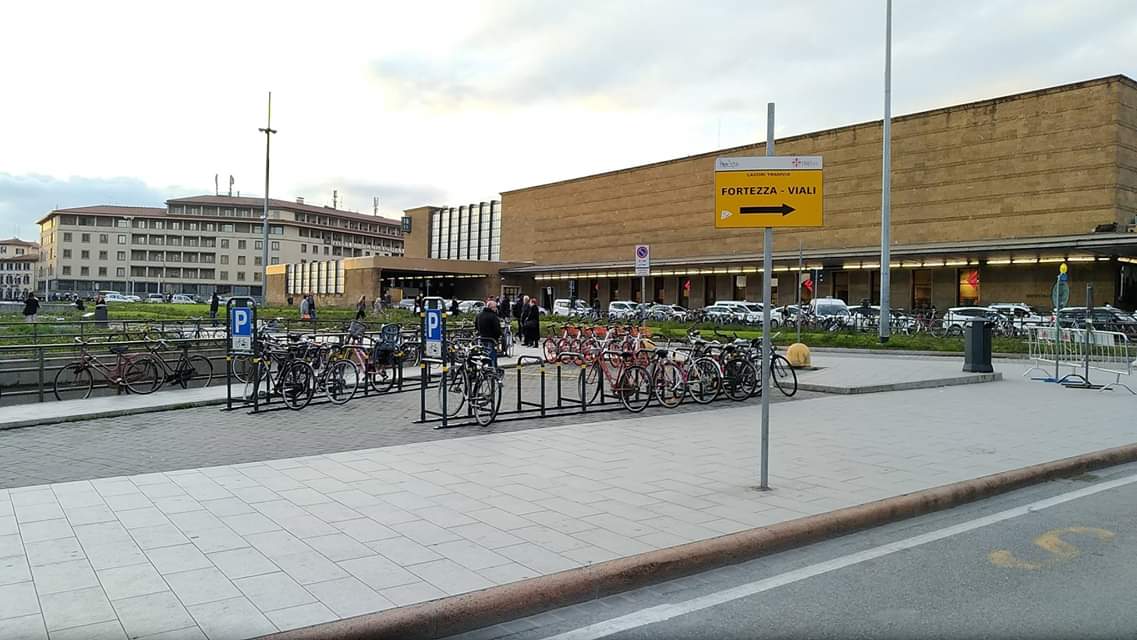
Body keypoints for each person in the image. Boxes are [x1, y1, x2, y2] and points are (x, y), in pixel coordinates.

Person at [476, 299, 503, 368]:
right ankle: (493, 370)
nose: (496, 309)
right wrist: (498, 336)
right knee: (492, 356)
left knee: (484, 355)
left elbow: (476, 325)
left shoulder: (479, 315)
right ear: (492, 307)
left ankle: (484, 369)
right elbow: (497, 329)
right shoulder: (493, 316)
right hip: (491, 339)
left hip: (482, 338)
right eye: (495, 307)